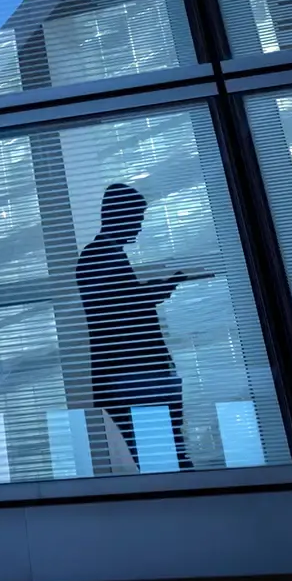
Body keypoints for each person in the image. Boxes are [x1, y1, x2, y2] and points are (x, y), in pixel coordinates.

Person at [74, 181, 205, 469]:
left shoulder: (106, 255)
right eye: (137, 218)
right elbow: (122, 306)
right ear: (117, 215)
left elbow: (123, 303)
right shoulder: (98, 257)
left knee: (165, 455)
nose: (139, 226)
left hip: (136, 374)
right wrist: (166, 284)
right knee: (164, 458)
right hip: (133, 375)